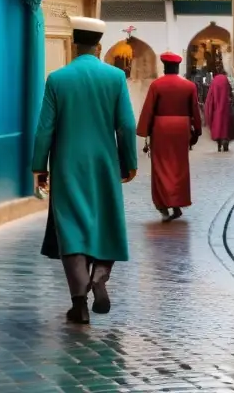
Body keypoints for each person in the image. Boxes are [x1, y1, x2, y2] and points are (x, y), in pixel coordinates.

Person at [32, 16, 138, 325]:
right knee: (106, 222)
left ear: (74, 46)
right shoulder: (115, 78)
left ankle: (78, 301)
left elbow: (44, 130)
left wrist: (40, 166)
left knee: (72, 230)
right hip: (104, 164)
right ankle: (100, 277)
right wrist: (128, 161)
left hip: (67, 166)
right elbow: (127, 125)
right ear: (99, 46)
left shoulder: (57, 79)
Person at [137, 51, 202, 222]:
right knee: (179, 166)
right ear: (178, 67)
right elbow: (195, 110)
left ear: (164, 67)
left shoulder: (156, 85)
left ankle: (163, 205)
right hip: (182, 128)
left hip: (161, 128)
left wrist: (145, 131)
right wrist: (197, 131)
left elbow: (149, 109)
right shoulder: (189, 86)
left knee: (161, 166)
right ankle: (177, 203)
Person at [205, 53, 234, 152]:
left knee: (219, 127)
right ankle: (225, 143)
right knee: (226, 128)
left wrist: (209, 112)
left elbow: (210, 98)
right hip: (228, 109)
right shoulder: (231, 80)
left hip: (217, 110)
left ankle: (219, 143)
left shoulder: (215, 81)